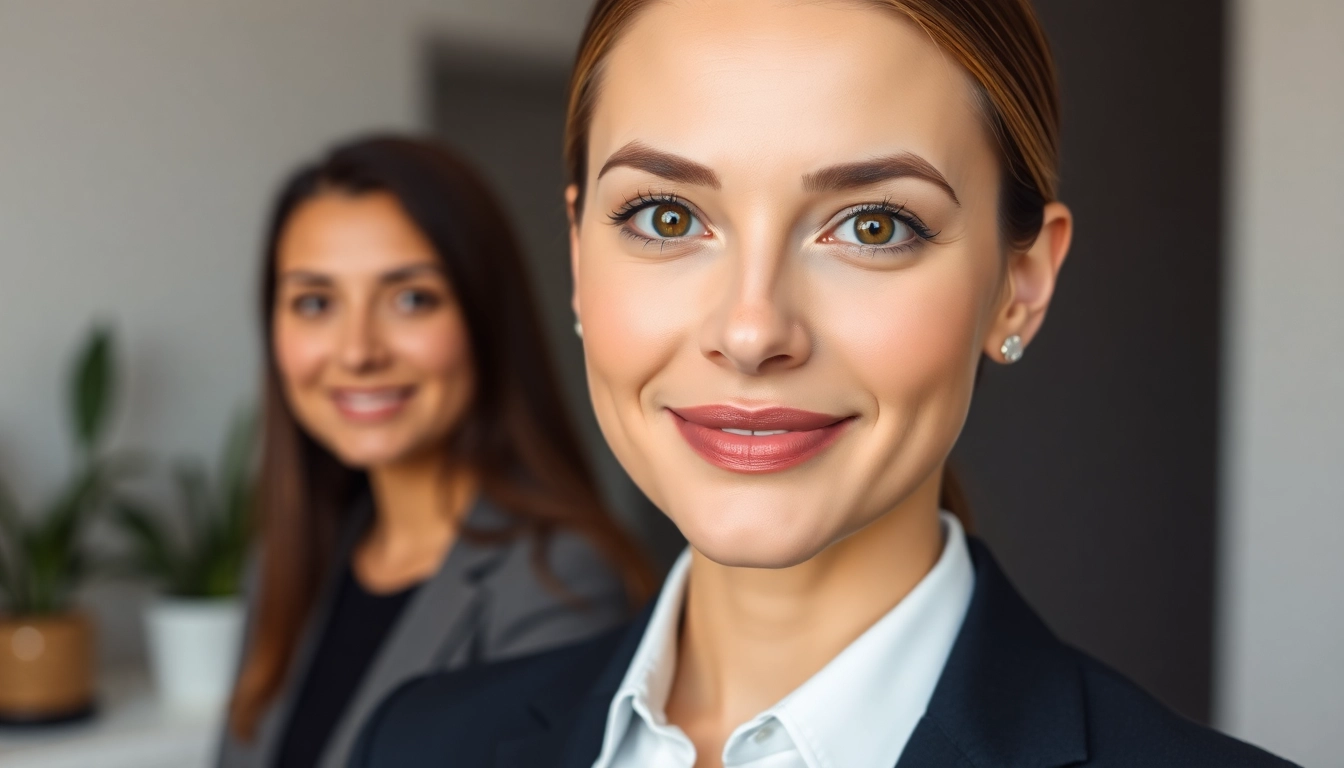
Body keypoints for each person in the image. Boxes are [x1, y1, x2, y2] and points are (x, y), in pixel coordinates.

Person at [350, 2, 1296, 767]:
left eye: (874, 226)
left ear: (1021, 286)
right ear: (576, 257)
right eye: (668, 217)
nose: (753, 330)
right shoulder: (421, 742)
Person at [215, 136, 653, 768]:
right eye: (315, 303)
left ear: (483, 318)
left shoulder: (558, 583)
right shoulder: (288, 561)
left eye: (411, 298)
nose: (358, 350)